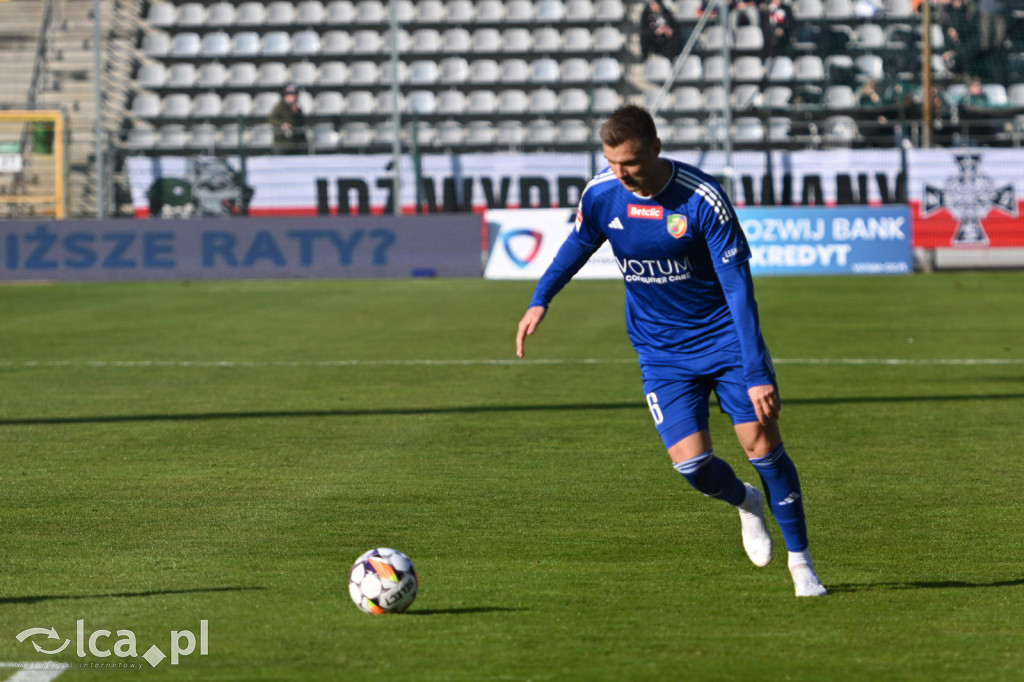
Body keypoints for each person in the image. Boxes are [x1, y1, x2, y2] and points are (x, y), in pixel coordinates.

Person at [515, 105, 827, 597]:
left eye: (632, 163)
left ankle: (801, 563)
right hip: (661, 353)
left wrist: (756, 371)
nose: (622, 173)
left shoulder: (702, 199)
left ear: (656, 148)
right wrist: (541, 298)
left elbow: (739, 288)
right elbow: (577, 244)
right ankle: (746, 503)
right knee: (691, 467)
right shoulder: (603, 193)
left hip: (724, 341)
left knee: (761, 449)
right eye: (613, 162)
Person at [267, 84, 307, 154]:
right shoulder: (281, 106)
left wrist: (297, 113)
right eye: (292, 95)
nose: (295, 97)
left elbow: (301, 122)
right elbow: (271, 119)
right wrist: (283, 124)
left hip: (295, 142)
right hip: (282, 142)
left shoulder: (297, 108)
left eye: (296, 95)